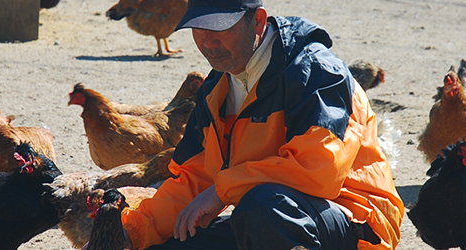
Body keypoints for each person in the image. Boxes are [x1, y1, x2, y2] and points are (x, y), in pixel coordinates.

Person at [86, 0, 404, 249]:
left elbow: (319, 172)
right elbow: (193, 178)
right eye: (198, 27)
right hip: (269, 220)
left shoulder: (316, 72)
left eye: (220, 27)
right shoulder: (216, 89)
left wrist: (222, 190)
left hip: (356, 223)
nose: (208, 41)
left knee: (262, 208)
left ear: (259, 21)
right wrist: (130, 233)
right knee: (169, 244)